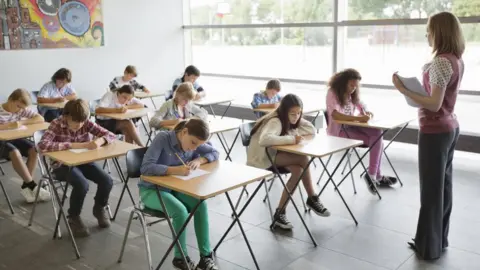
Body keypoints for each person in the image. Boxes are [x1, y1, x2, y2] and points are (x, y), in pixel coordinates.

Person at [392, 11, 464, 260]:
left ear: (439, 32)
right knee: (443, 188)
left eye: (429, 30)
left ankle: (428, 248)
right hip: (449, 127)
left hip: (435, 130)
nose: (427, 34)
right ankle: (438, 240)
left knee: (431, 191)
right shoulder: (455, 59)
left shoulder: (442, 62)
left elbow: (434, 103)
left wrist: (403, 89)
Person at [140, 119, 219, 270]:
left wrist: (199, 159)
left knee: (200, 204)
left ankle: (205, 257)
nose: (194, 147)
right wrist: (174, 170)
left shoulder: (193, 141)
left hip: (174, 189)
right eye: (193, 143)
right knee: (180, 211)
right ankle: (180, 257)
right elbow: (145, 168)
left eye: (198, 145)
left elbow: (214, 152)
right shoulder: (162, 139)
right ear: (184, 132)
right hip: (151, 190)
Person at [247, 94, 330, 230]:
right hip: (262, 158)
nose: (296, 116)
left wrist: (297, 120)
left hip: (275, 154)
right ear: (283, 111)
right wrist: (292, 139)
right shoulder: (275, 121)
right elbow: (264, 140)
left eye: (299, 113)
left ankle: (280, 213)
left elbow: (311, 130)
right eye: (292, 113)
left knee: (298, 171)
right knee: (304, 158)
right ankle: (312, 197)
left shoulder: (290, 119)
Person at [38, 99, 117, 237]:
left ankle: (99, 208)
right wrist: (75, 145)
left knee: (107, 181)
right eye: (76, 122)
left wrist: (100, 141)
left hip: (84, 162)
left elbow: (110, 135)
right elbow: (42, 145)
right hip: (61, 166)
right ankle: (73, 217)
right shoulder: (57, 124)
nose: (79, 125)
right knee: (82, 184)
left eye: (82, 122)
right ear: (66, 116)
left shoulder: (85, 122)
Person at [326, 68, 397, 194]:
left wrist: (367, 113)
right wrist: (357, 118)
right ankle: (376, 176)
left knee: (377, 133)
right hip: (339, 132)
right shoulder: (333, 93)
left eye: (355, 86)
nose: (353, 88)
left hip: (351, 127)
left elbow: (362, 107)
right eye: (351, 85)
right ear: (343, 82)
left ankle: (373, 175)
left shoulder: (352, 94)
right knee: (376, 141)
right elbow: (336, 115)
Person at [0, 89, 50, 203]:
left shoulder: (21, 110)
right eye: (18, 106)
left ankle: (26, 187)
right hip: (1, 143)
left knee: (34, 149)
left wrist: (22, 123)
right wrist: (8, 125)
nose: (20, 110)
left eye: (22, 108)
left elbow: (40, 118)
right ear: (11, 100)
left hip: (14, 138)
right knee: (15, 152)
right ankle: (32, 185)